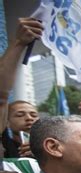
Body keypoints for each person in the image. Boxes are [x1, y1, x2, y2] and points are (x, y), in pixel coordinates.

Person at [0, 18, 43, 157]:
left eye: (33, 114)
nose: (29, 119)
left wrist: (43, 155)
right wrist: (19, 43)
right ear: (5, 121)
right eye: (19, 114)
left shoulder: (50, 148)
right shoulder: (6, 143)